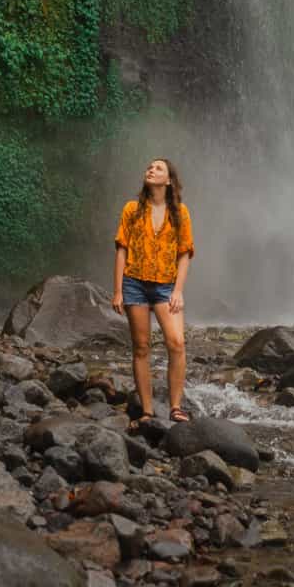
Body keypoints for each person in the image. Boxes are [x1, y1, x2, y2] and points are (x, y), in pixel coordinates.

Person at [110, 156, 195, 425]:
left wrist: (178, 291)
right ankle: (147, 411)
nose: (151, 169)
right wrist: (118, 290)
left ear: (168, 180)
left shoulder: (180, 213)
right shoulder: (132, 209)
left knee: (177, 343)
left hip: (165, 285)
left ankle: (175, 407)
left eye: (158, 168)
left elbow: (184, 254)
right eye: (149, 166)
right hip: (134, 283)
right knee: (141, 347)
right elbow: (122, 249)